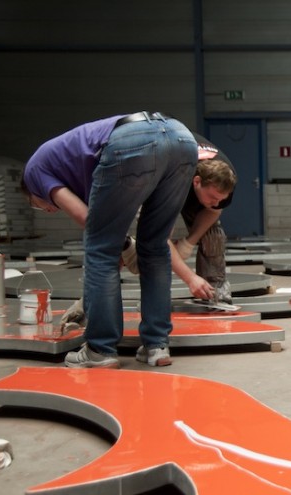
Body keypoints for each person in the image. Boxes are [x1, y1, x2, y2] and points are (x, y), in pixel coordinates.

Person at [21, 111, 197, 368]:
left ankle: (100, 349)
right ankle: (157, 345)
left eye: (37, 205)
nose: (48, 209)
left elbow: (86, 219)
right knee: (155, 247)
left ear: (31, 192)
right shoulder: (73, 167)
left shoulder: (34, 173)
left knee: (99, 248)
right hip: (182, 139)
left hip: (133, 140)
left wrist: (119, 246)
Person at [123, 132, 237, 303]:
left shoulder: (224, 180)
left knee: (214, 237)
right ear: (197, 182)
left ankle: (214, 290)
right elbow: (160, 237)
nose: (216, 202)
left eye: (220, 199)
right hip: (157, 184)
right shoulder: (173, 180)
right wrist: (190, 278)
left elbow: (213, 210)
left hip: (188, 183)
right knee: (153, 246)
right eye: (213, 198)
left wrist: (189, 242)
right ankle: (131, 253)